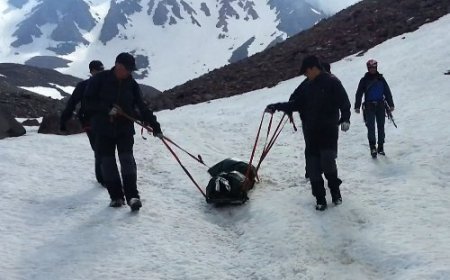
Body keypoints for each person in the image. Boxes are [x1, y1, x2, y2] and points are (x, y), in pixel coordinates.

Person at [266, 55, 351, 211]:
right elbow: (295, 104)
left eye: (306, 72)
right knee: (313, 169)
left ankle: (335, 192)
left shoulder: (332, 82)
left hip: (328, 132)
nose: (305, 75)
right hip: (311, 133)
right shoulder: (306, 86)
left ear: (313, 68)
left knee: (327, 163)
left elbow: (344, 102)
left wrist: (346, 118)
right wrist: (276, 106)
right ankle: (320, 199)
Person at [84, 52, 163, 211]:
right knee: (107, 163)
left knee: (127, 159)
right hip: (103, 128)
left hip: (124, 128)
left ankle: (133, 197)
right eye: (127, 69)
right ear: (118, 66)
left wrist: (155, 126)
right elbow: (87, 102)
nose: (129, 73)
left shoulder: (131, 84)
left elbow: (142, 106)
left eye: (131, 70)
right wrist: (107, 109)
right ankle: (116, 197)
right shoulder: (99, 79)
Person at [60, 60, 105, 185]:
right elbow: (72, 103)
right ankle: (102, 178)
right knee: (99, 148)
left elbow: (72, 103)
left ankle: (103, 177)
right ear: (92, 71)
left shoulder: (106, 84)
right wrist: (64, 121)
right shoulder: (84, 86)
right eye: (98, 70)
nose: (100, 72)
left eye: (101, 70)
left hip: (103, 121)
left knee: (101, 148)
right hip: (89, 121)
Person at [354, 59, 395, 158]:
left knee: (381, 126)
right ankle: (373, 147)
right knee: (371, 127)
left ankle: (381, 147)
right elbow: (359, 93)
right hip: (369, 106)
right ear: (368, 68)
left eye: (374, 67)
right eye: (371, 68)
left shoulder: (381, 79)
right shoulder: (364, 80)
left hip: (381, 105)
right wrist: (357, 106)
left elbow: (387, 91)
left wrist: (391, 104)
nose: (372, 69)